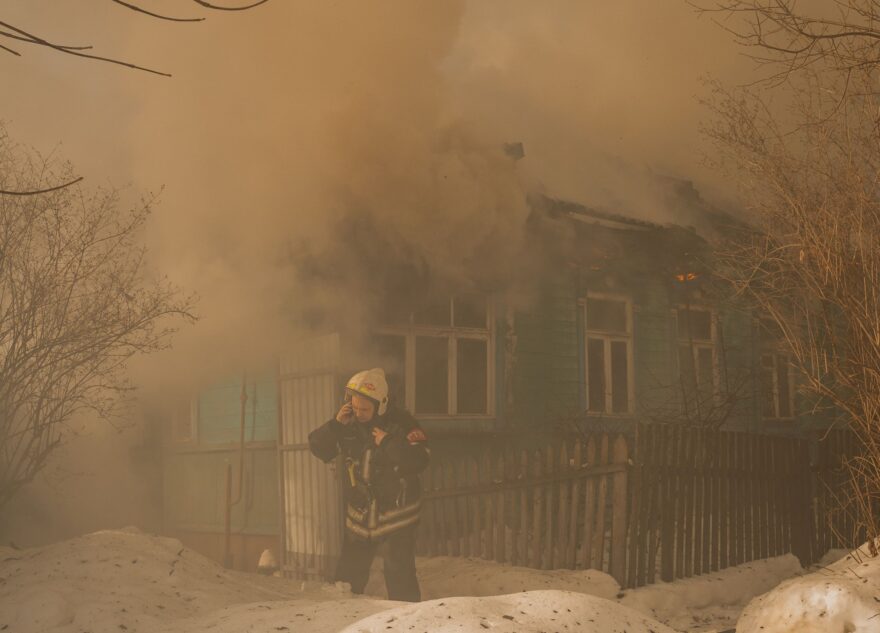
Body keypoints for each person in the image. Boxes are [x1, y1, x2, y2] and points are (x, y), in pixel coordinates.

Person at [308, 367, 429, 602]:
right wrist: (334, 426)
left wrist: (388, 442)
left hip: (397, 514)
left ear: (381, 404)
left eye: (365, 409)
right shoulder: (346, 422)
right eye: (354, 407)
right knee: (347, 578)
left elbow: (420, 460)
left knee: (399, 573)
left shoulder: (403, 424)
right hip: (360, 517)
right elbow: (319, 448)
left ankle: (406, 621)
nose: (359, 413)